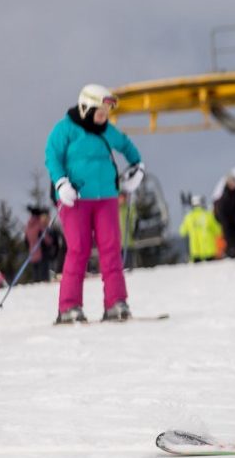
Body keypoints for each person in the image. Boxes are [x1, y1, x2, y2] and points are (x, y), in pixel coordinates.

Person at [44, 85, 146, 323]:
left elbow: (127, 146)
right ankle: (69, 307)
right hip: (75, 198)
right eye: (100, 113)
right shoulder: (65, 129)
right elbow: (52, 156)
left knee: (111, 248)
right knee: (78, 249)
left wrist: (138, 167)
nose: (104, 117)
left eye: (106, 113)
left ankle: (116, 302)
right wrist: (61, 183)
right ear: (86, 109)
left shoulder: (107, 130)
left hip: (106, 197)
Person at [179, 195, 222, 263]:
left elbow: (182, 232)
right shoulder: (208, 215)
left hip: (195, 252)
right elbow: (218, 231)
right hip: (209, 250)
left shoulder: (188, 217)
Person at [214, 175, 235, 257]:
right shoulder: (224, 195)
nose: (234, 184)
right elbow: (221, 211)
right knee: (230, 240)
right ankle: (231, 253)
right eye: (232, 182)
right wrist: (225, 222)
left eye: (234, 182)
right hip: (227, 223)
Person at [24, 206, 56, 283]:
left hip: (32, 252)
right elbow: (46, 239)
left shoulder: (28, 226)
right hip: (42, 253)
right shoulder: (39, 225)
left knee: (36, 274)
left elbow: (26, 240)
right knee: (44, 275)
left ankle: (36, 283)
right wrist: (52, 242)